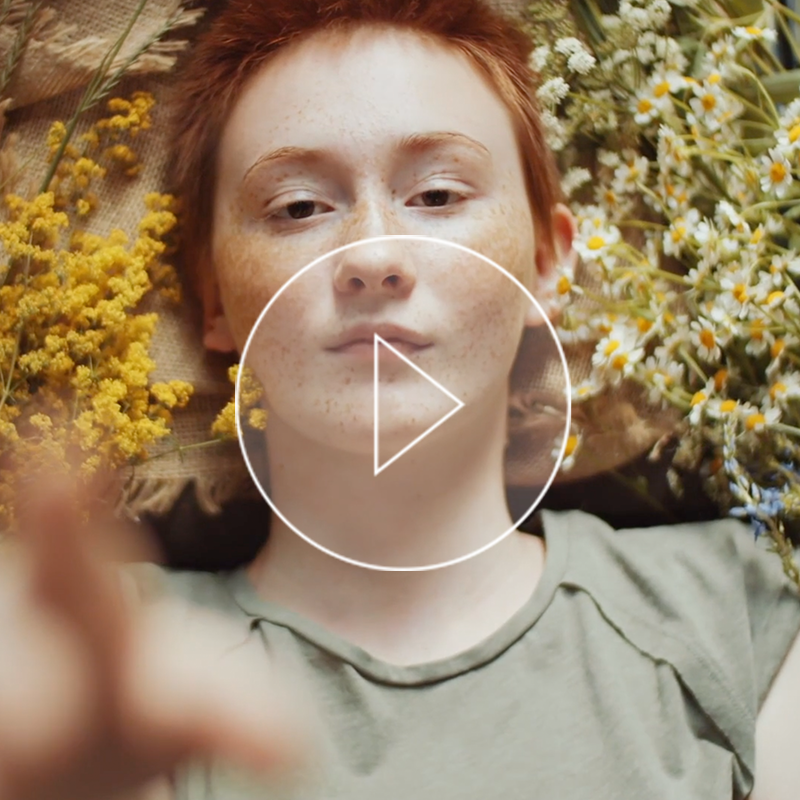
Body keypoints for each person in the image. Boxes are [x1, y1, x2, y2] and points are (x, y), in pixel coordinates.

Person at [1, 1, 799, 799]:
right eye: (300, 208)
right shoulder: (97, 660)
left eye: (440, 195)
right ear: (214, 302)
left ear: (550, 262)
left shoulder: (741, 617)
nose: (374, 254)